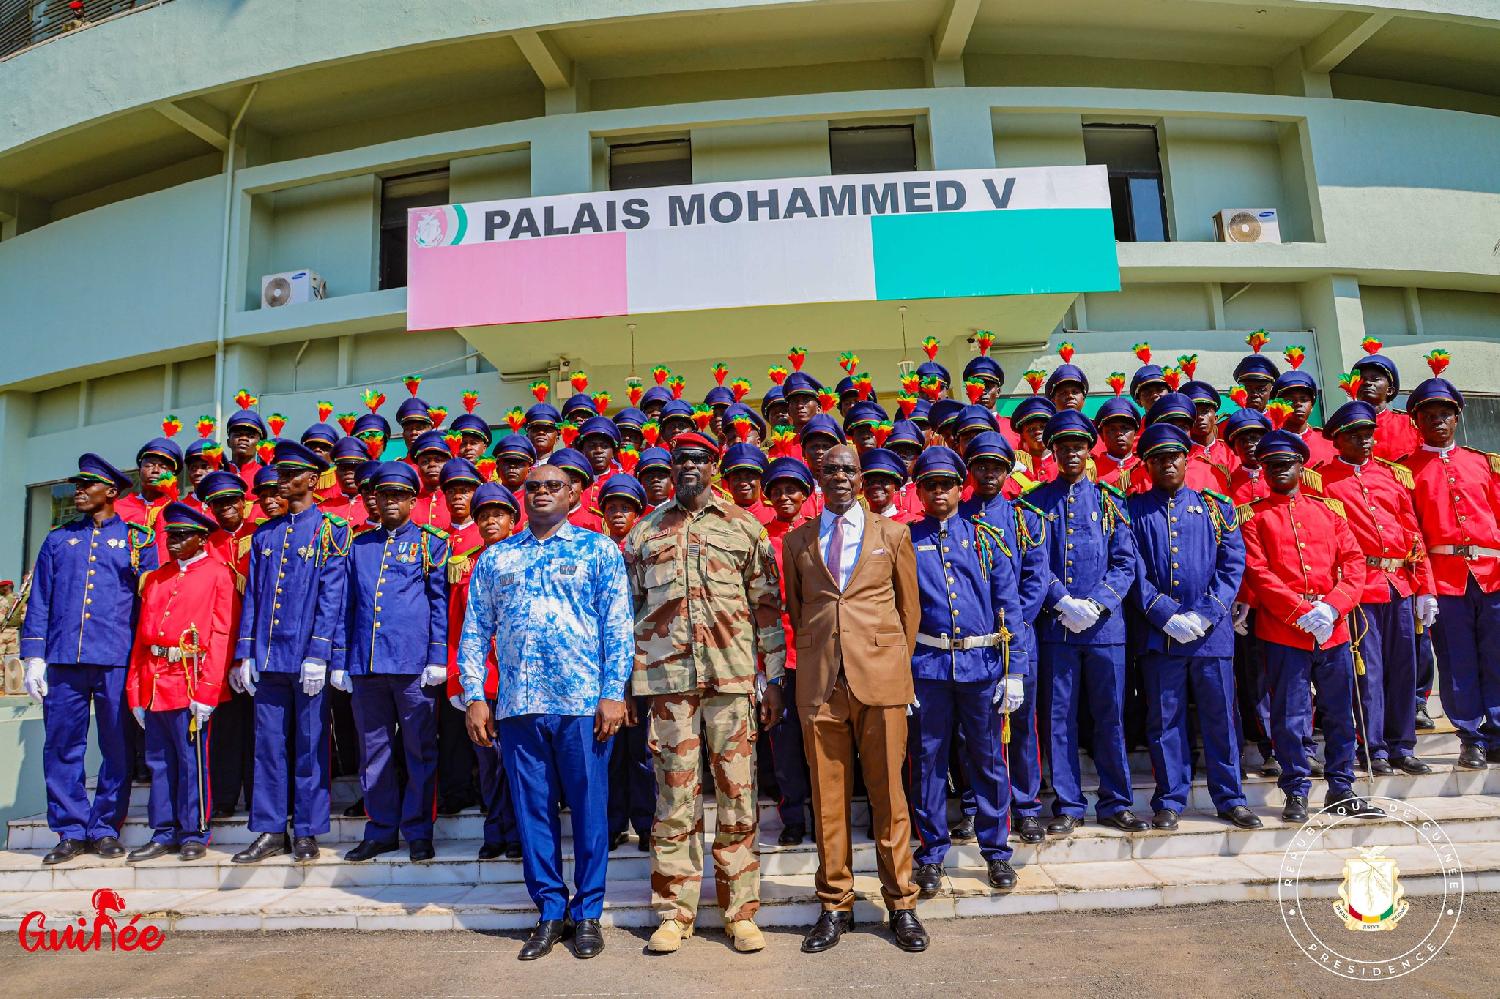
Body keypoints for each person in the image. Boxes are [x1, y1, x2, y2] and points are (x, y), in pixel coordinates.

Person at [460, 462, 634, 961]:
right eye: (532, 486)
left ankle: (588, 914)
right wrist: (475, 695)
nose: (541, 493)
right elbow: (474, 632)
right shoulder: (497, 558)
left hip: (582, 704)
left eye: (552, 486)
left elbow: (617, 626)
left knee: (589, 812)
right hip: (518, 706)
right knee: (532, 813)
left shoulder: (597, 549)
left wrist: (613, 692)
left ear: (574, 492)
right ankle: (550, 911)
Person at [622, 431, 786, 955]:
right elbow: (625, 613)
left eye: (699, 458)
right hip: (668, 688)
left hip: (732, 683)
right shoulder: (645, 532)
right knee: (674, 800)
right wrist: (622, 683)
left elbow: (767, 607)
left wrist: (774, 677)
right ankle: (674, 912)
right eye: (680, 459)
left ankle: (740, 913)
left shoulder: (744, 528)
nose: (689, 466)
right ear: (669, 468)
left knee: (738, 796)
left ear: (714, 466)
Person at [781, 443, 927, 953]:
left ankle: (901, 902)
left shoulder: (894, 533)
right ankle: (834, 903)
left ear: (861, 477)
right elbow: (801, 611)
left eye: (848, 469)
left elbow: (911, 612)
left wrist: (889, 661)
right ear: (818, 478)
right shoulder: (798, 540)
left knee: (889, 795)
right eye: (830, 469)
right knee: (827, 800)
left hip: (880, 678)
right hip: (821, 684)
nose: (839, 476)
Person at [21, 454, 158, 866]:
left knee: (117, 746)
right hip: (64, 657)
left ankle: (104, 827)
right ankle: (70, 827)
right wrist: (33, 656)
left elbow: (149, 604)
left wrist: (144, 660)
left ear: (111, 492)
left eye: (87, 485)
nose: (78, 492)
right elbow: (40, 599)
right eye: (77, 485)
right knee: (62, 745)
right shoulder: (58, 540)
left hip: (116, 656)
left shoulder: (138, 539)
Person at [903, 446, 1029, 891]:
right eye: (930, 485)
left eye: (946, 484)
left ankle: (996, 852)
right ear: (919, 491)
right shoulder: (906, 540)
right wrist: (901, 674)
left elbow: (1008, 608)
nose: (939, 491)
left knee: (989, 761)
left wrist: (1015, 671)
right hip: (928, 667)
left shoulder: (985, 538)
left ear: (962, 488)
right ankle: (931, 855)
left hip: (981, 666)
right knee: (928, 763)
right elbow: (895, 611)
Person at [1239, 429, 1379, 821]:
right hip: (1285, 630)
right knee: (1289, 714)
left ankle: (1341, 785)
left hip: (1332, 629)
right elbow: (1259, 573)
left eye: (1286, 464)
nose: (1279, 471)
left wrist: (1333, 608)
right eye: (1271, 466)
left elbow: (1353, 563)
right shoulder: (1255, 517)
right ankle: (1296, 788)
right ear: (1263, 472)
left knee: (1339, 711)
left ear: (1301, 466)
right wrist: (1301, 610)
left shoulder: (1329, 511)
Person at [1125, 425, 1259, 831]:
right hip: (1159, 635)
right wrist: (1164, 613)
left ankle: (1230, 797)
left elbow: (1232, 563)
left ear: (1187, 460)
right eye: (1158, 458)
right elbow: (1133, 569)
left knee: (1220, 717)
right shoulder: (1131, 511)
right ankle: (1169, 798)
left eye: (1175, 456)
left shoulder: (1216, 507)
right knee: (1165, 720)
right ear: (1146, 465)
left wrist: (1206, 613)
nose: (1168, 463)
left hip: (1211, 635)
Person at [1026, 411, 1148, 836]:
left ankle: (1116, 801)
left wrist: (1097, 604)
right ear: (1054, 451)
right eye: (1063, 446)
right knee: (1059, 717)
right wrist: (1062, 601)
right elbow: (1034, 563)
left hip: (1105, 630)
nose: (1071, 452)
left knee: (1110, 716)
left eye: (1079, 445)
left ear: (1089, 450)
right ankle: (1068, 803)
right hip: (1058, 629)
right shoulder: (1036, 503)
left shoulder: (1111, 501)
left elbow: (1124, 562)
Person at [229, 441, 351, 864]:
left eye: (289, 475)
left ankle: (306, 830)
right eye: (279, 474)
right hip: (268, 656)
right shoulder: (265, 533)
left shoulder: (330, 530)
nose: (280, 481)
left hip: (306, 657)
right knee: (268, 745)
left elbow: (332, 596)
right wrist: (245, 652)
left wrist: (321, 653)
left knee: (310, 745)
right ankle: (267, 829)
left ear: (312, 480)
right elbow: (256, 598)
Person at [1316, 401, 1435, 776]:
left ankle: (1402, 745)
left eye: (1369, 434)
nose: (1366, 442)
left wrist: (1424, 586)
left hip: (1398, 583)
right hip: (1359, 588)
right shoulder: (1322, 480)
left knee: (1403, 668)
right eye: (1356, 436)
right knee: (1368, 673)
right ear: (1337, 440)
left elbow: (1412, 533)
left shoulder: (1391, 476)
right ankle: (1375, 747)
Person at [339, 461, 449, 863]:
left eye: (399, 495)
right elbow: (345, 607)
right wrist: (341, 660)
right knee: (374, 752)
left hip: (413, 664)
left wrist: (437, 656)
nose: (390, 502)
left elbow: (439, 603)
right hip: (367, 666)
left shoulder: (430, 543)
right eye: (384, 495)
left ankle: (419, 831)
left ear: (412, 500)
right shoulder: (360, 545)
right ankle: (381, 829)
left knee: (420, 750)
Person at [1401, 358, 1500, 770]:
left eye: (1445, 414)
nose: (1438, 422)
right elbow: (1412, 533)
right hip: (1446, 580)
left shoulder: (1483, 463)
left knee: (1496, 654)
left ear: (1457, 417)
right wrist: (1424, 586)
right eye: (1428, 416)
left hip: (1492, 575)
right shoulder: (1407, 471)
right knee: (1457, 659)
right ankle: (1470, 735)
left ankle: (1498, 729)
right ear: (1416, 422)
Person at [125, 502, 236, 862]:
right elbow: (142, 639)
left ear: (201, 539)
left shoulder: (219, 574)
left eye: (182, 535)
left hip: (190, 678)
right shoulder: (157, 578)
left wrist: (208, 691)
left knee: (192, 761)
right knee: (159, 760)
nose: (172, 541)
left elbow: (221, 635)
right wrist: (136, 693)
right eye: (170, 534)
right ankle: (164, 830)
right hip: (156, 679)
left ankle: (194, 831)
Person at [959, 432, 1049, 844]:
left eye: (996, 466)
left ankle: (1026, 805)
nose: (989, 473)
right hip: (973, 643)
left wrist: (1011, 627)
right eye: (980, 466)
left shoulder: (1023, 517)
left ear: (1008, 469)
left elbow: (1035, 578)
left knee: (1022, 727)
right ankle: (976, 805)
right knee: (975, 730)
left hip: (1016, 639)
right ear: (970, 471)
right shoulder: (958, 516)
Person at [444, 482, 522, 861]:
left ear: (513, 521)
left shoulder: (527, 560)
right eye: (484, 516)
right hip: (484, 680)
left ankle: (519, 833)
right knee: (489, 763)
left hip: (521, 679)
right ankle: (496, 831)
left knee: (519, 763)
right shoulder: (467, 564)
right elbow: (458, 627)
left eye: (498, 515)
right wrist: (460, 683)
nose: (491, 521)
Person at [597, 474, 655, 851]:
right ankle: (614, 822)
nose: (619, 514)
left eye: (626, 508)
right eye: (612, 508)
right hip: (601, 665)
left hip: (644, 663)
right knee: (610, 750)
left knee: (643, 752)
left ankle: (647, 823)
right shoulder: (596, 551)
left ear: (638, 513)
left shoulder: (649, 550)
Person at [761, 456, 814, 845]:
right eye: (776, 491)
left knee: (826, 741)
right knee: (786, 742)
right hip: (779, 651)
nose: (784, 496)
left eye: (791, 489)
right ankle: (793, 815)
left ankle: (827, 813)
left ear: (805, 494)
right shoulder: (762, 539)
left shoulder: (820, 534)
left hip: (818, 650)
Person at [436, 458, 483, 814]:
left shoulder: (484, 536)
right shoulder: (433, 538)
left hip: (478, 648)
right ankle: (455, 790)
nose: (457, 497)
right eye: (452, 490)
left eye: (465, 490)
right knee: (447, 729)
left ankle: (483, 791)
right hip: (439, 645)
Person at [1352, 339, 1421, 462]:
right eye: (1362, 379)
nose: (1367, 382)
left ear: (1390, 390)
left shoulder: (1410, 425)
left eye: (1375, 379)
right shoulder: (1345, 427)